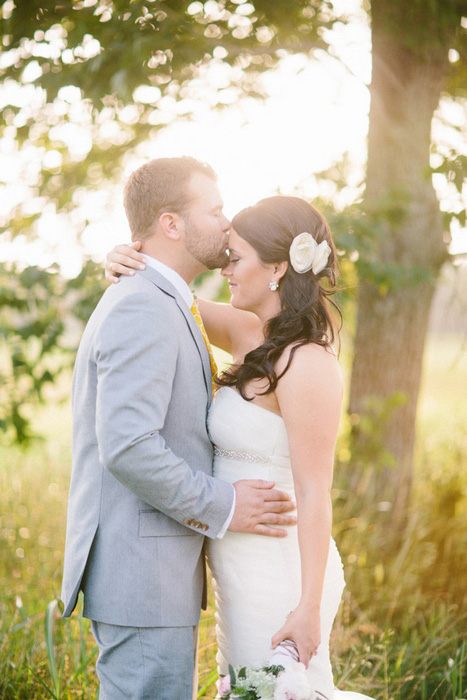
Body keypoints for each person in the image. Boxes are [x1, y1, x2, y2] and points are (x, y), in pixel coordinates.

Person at [107, 193, 375, 700]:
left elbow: (316, 491)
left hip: (279, 568)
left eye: (236, 258)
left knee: (272, 692)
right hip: (237, 567)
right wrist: (123, 258)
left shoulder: (307, 364)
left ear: (277, 267)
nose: (225, 269)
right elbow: (166, 293)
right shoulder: (250, 333)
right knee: (248, 690)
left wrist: (308, 607)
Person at [61, 157, 298, 700]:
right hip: (143, 574)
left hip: (159, 573)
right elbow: (128, 445)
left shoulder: (166, 297)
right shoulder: (143, 304)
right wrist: (227, 504)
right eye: (213, 210)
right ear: (171, 224)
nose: (225, 222)